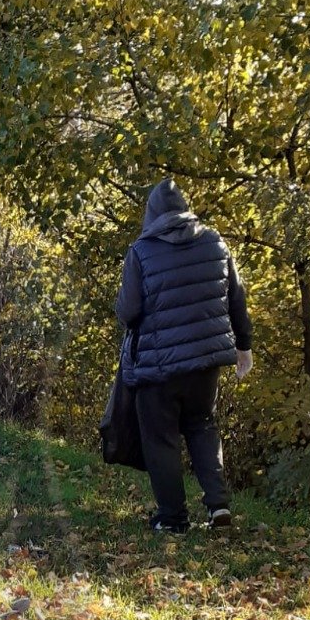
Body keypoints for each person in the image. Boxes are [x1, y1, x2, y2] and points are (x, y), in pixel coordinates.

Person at [117, 178, 253, 532]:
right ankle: (218, 507)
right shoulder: (215, 242)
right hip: (206, 362)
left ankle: (173, 518)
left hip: (158, 366)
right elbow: (235, 298)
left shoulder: (141, 251)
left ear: (152, 213)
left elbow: (129, 311)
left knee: (160, 438)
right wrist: (244, 345)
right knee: (202, 426)